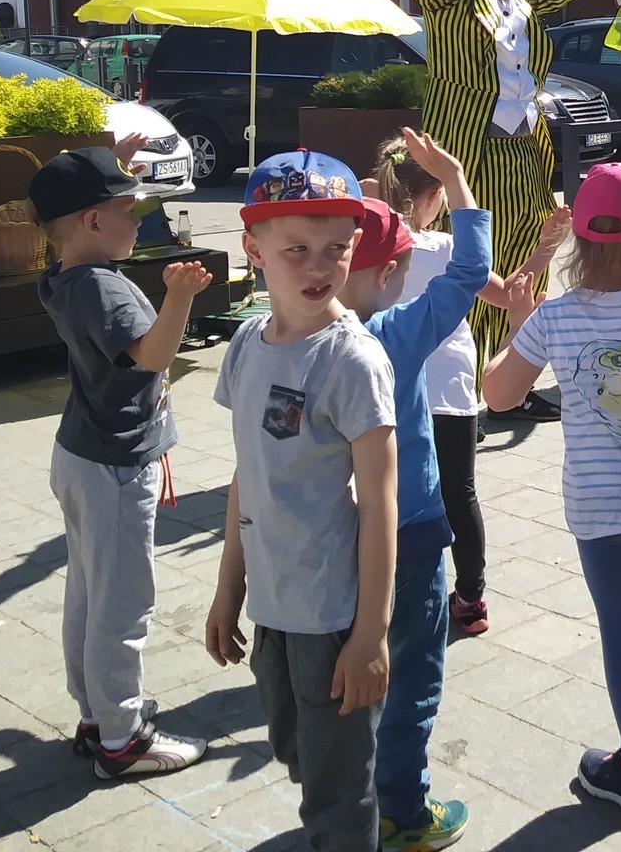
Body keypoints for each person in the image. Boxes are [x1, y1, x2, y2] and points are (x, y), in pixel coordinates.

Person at [482, 163, 621, 817]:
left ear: (578, 238)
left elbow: (498, 395)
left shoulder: (553, 317)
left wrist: (521, 322)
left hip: (595, 510)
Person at [205, 150, 397, 852]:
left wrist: (371, 635)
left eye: (336, 249)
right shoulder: (245, 344)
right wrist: (229, 589)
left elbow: (380, 504)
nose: (320, 267)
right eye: (297, 250)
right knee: (296, 751)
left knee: (338, 789)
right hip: (272, 605)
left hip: (333, 614)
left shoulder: (353, 361)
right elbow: (246, 475)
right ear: (253, 250)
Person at [383, 0, 612, 381]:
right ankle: (466, 373)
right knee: (472, 257)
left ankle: (514, 374)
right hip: (470, 149)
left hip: (525, 148)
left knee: (533, 245)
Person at [29, 145, 212, 778]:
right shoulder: (105, 287)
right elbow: (153, 356)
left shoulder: (64, 275)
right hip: (113, 465)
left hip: (81, 454)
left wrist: (109, 165)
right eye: (128, 210)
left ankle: (97, 714)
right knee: (123, 601)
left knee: (88, 591)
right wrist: (179, 297)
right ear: (91, 220)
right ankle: (121, 739)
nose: (140, 220)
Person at [340, 131, 488, 850]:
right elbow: (470, 271)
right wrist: (455, 179)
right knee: (414, 673)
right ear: (393, 272)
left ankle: (345, 802)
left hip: (337, 534)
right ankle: (402, 810)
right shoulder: (397, 335)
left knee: (347, 674)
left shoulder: (293, 339)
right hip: (412, 528)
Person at [367, 138, 569, 641]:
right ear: (435, 197)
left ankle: (384, 592)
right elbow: (509, 294)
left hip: (387, 390)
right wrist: (546, 247)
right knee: (460, 492)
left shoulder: (371, 247)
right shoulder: (444, 247)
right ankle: (471, 597)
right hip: (451, 391)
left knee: (386, 491)